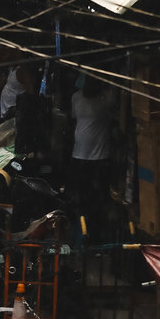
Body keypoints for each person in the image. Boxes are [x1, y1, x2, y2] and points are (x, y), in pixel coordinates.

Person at [71, 75, 116, 239]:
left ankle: (94, 237)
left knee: (97, 203)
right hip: (80, 157)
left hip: (99, 160)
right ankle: (83, 236)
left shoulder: (106, 99)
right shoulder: (76, 98)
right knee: (83, 201)